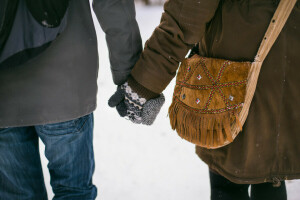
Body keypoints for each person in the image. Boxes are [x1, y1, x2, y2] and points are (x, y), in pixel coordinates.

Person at [109, 0, 299, 199]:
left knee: (229, 183)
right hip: (289, 74)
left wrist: (143, 86)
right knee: (271, 172)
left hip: (231, 79)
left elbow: (185, 18)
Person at [0, 0, 142, 199]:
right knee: (73, 192)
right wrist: (131, 75)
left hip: (4, 94)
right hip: (66, 79)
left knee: (17, 195)